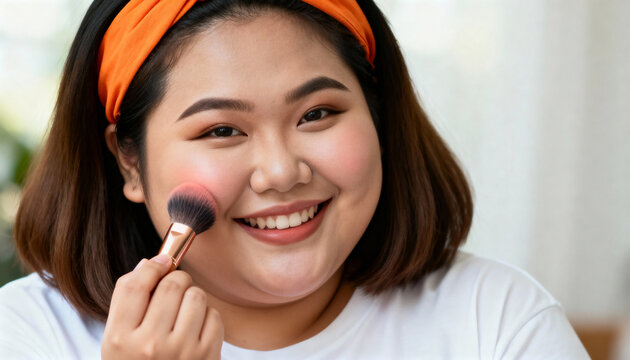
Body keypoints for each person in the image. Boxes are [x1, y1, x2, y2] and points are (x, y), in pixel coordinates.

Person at [0, 0, 589, 358]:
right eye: (221, 131)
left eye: (317, 115)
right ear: (130, 162)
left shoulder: (496, 320)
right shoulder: (26, 335)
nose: (282, 172)